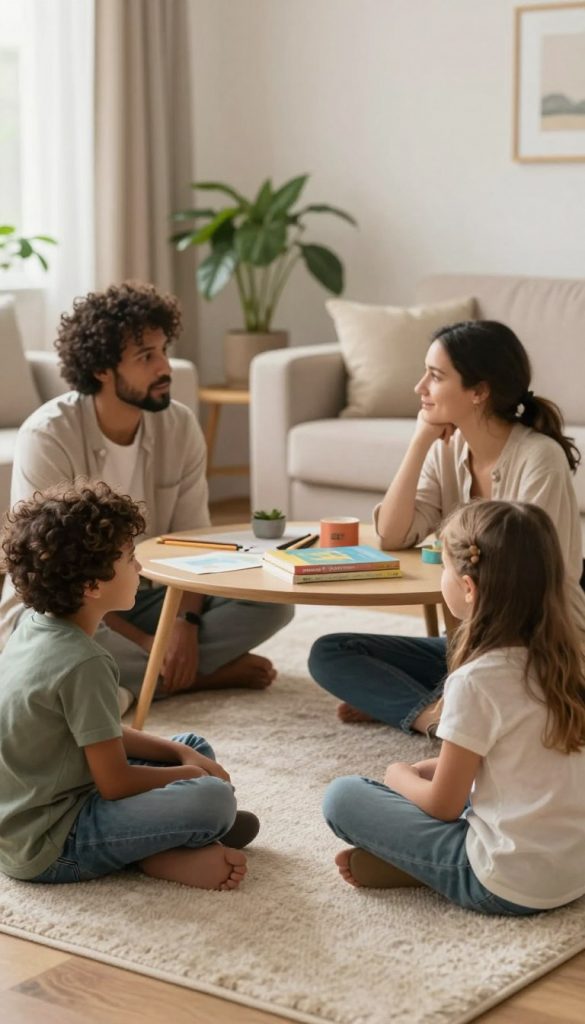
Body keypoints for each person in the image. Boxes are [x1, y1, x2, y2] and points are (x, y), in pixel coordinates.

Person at [0, 282, 293, 708]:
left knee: (272, 599)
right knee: (54, 640)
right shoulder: (49, 435)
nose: (165, 368)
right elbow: (52, 576)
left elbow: (194, 545)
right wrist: (150, 642)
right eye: (146, 357)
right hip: (64, 604)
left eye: (163, 351)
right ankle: (190, 677)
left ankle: (145, 677)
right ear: (102, 369)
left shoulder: (180, 425)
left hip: (145, 590)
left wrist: (185, 623)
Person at [309, 320, 585, 734]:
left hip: (536, 643)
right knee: (330, 652)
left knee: (491, 679)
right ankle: (432, 715)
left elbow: (524, 586)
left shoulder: (538, 459)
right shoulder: (450, 450)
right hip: (476, 638)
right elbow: (394, 534)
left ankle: (432, 707)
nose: (420, 387)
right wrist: (420, 440)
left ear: (479, 391)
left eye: (435, 377)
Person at [322, 500, 585, 914]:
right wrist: (438, 772)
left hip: (505, 882)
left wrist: (399, 774)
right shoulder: (571, 661)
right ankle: (423, 865)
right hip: (574, 873)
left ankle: (433, 869)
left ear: (468, 588)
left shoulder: (477, 679)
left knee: (343, 796)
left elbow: (443, 805)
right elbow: (524, 767)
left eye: (443, 567)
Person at [0, 482, 260, 889]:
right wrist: (189, 775)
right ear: (92, 586)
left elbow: (94, 731)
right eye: (129, 558)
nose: (138, 568)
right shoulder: (84, 662)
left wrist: (179, 754)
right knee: (212, 798)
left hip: (38, 809)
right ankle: (158, 853)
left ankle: (172, 835)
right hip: (51, 843)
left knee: (192, 745)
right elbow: (116, 782)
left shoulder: (32, 624)